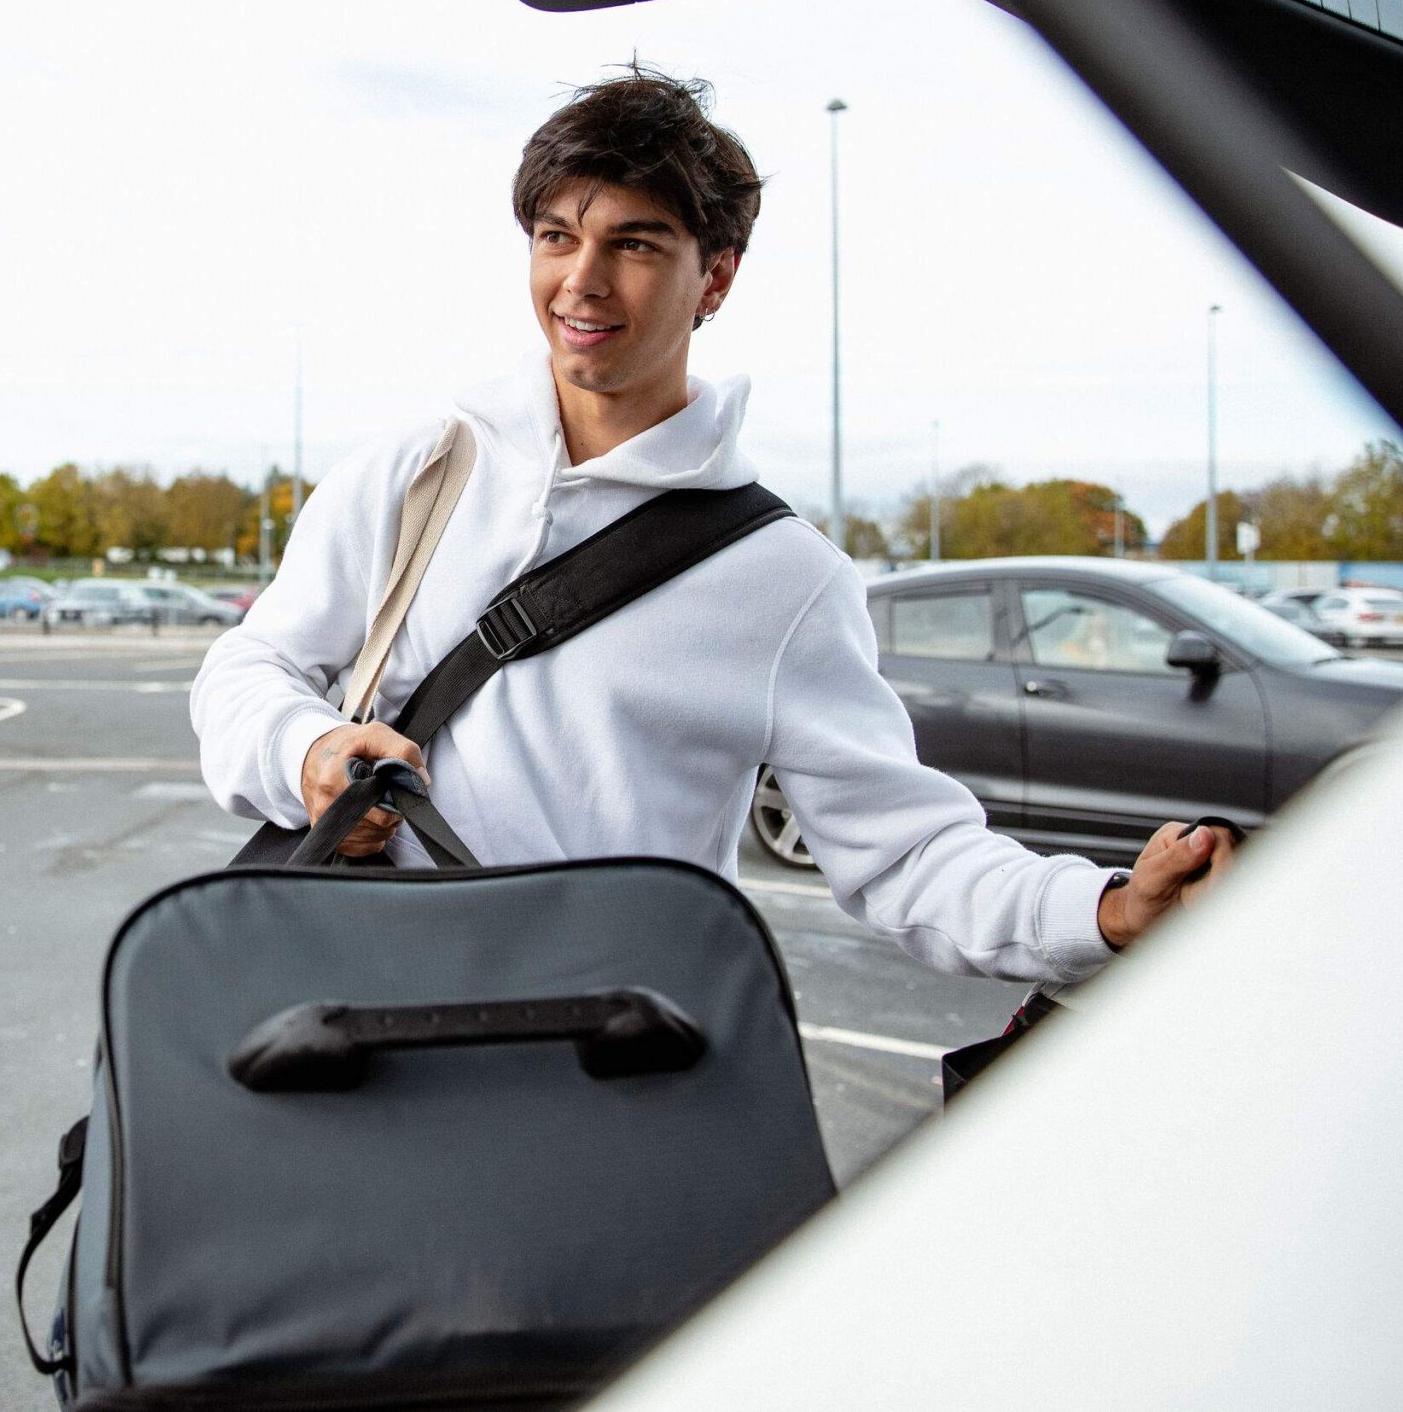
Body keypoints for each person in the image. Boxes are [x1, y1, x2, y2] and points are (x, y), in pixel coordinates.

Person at [191, 70, 1227, 984]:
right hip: (359, 1004)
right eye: (557, 236)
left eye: (633, 244)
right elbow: (245, 674)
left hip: (595, 1058)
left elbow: (906, 854)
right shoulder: (418, 471)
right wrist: (307, 750)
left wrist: (1104, 912)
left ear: (715, 277)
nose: (581, 281)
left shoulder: (783, 578)